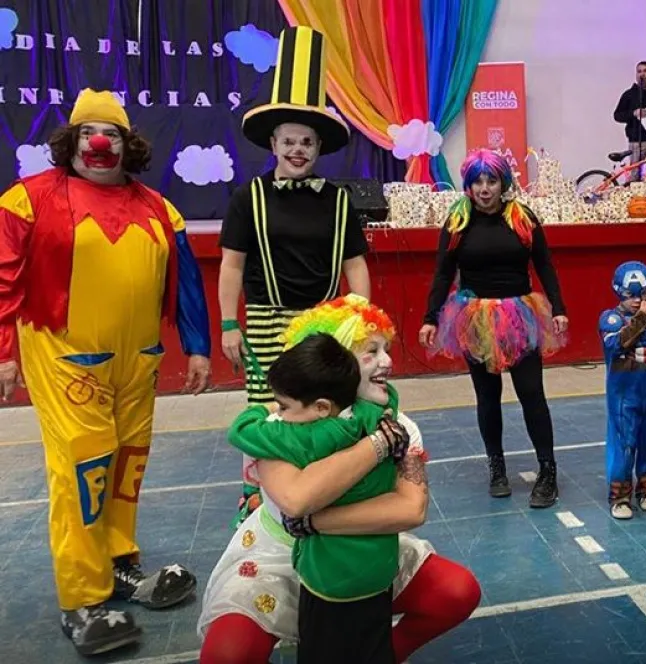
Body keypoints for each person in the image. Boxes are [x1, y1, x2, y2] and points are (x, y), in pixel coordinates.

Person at [0, 89, 210, 655]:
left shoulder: (160, 208)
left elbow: (187, 283)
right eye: (89, 133)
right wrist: (2, 352)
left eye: (112, 133)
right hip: (62, 354)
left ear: (127, 144)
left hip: (137, 360)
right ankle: (81, 596)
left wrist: (197, 347)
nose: (100, 143)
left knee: (126, 462)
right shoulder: (27, 200)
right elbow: (3, 276)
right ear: (71, 141)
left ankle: (118, 563)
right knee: (83, 464)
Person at [198, 295, 481, 664]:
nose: (388, 362)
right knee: (227, 654)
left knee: (456, 591)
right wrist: (379, 445)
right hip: (280, 554)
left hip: (360, 551)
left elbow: (412, 508)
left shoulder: (399, 423)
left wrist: (316, 523)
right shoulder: (280, 425)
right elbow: (296, 499)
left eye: (386, 349)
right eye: (371, 351)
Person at [217, 26, 371, 523]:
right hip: (265, 320)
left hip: (325, 320)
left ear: (317, 146)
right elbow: (233, 264)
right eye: (289, 141)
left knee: (327, 405)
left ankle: (323, 489)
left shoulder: (338, 199)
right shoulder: (249, 198)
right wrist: (229, 323)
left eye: (307, 141)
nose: (298, 149)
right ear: (274, 143)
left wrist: (359, 321)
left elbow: (355, 266)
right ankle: (259, 501)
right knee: (271, 410)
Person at [227, 328, 403, 663]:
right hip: (380, 569)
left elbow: (241, 430)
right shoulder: (378, 412)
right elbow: (386, 393)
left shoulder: (311, 438)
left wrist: (261, 411)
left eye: (284, 405)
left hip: (331, 580)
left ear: (322, 407)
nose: (281, 413)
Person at [419, 149, 569, 508]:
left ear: (503, 183)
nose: (484, 189)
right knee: (487, 396)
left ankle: (547, 471)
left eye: (491, 181)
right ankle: (496, 467)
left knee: (532, 393)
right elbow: (443, 273)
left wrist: (559, 308)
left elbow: (544, 265)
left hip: (520, 315)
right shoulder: (457, 222)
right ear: (468, 185)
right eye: (477, 182)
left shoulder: (521, 218)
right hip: (475, 318)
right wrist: (430, 316)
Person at [598, 261, 646, 519]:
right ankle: (619, 495)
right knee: (624, 442)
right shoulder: (610, 319)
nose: (636, 300)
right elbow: (615, 346)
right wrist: (640, 320)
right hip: (624, 394)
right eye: (630, 295)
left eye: (641, 295)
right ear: (618, 291)